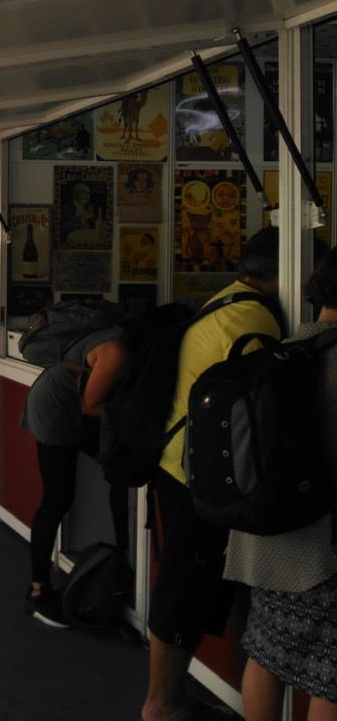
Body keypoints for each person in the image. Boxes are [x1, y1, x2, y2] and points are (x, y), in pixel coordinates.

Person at [141, 226, 283, 721]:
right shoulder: (252, 323)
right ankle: (162, 704)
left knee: (183, 581)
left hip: (178, 464)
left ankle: (169, 697)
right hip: (199, 475)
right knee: (186, 587)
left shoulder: (226, 301)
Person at [223, 249, 337, 721]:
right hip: (322, 551)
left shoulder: (287, 350)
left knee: (267, 654)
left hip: (267, 542)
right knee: (330, 678)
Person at [19, 323, 130, 627]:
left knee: (114, 470)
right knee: (57, 498)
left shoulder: (116, 340)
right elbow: (90, 404)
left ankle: (122, 555)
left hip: (59, 401)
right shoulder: (117, 350)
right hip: (56, 408)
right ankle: (38, 591)